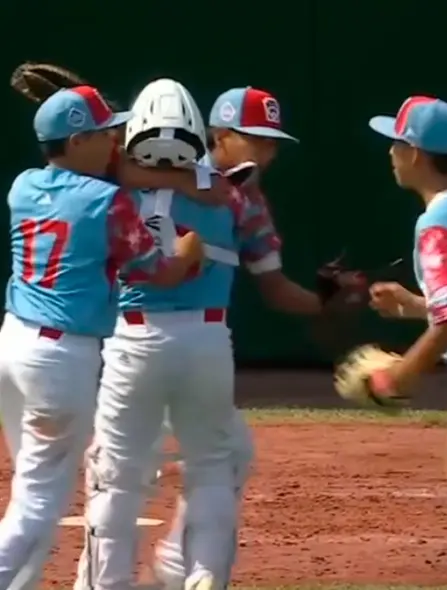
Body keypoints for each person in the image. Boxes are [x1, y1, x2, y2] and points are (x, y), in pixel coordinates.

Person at [75, 78, 281, 590]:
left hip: (134, 341)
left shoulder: (112, 184)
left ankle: (107, 585)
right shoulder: (232, 192)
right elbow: (218, 188)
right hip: (208, 341)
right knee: (212, 467)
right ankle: (203, 576)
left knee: (116, 477)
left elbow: (115, 159)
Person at [0, 85, 203, 589]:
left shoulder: (22, 186)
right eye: (101, 133)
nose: (113, 139)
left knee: (32, 486)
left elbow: (97, 176)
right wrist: (189, 250)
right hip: (59, 361)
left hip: (13, 345)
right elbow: (157, 271)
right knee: (38, 502)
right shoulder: (108, 202)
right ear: (73, 143)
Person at [145, 85, 326, 590]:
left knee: (220, 455)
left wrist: (328, 301)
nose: (267, 152)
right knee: (166, 465)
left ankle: (170, 571)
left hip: (176, 348)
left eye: (272, 142)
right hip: (149, 342)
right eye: (255, 139)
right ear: (220, 135)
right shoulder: (166, 174)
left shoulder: (244, 198)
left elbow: (274, 286)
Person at [366, 95, 447, 570]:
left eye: (395, 143)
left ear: (415, 153)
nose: (390, 154)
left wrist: (401, 375)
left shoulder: (436, 221)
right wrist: (415, 306)